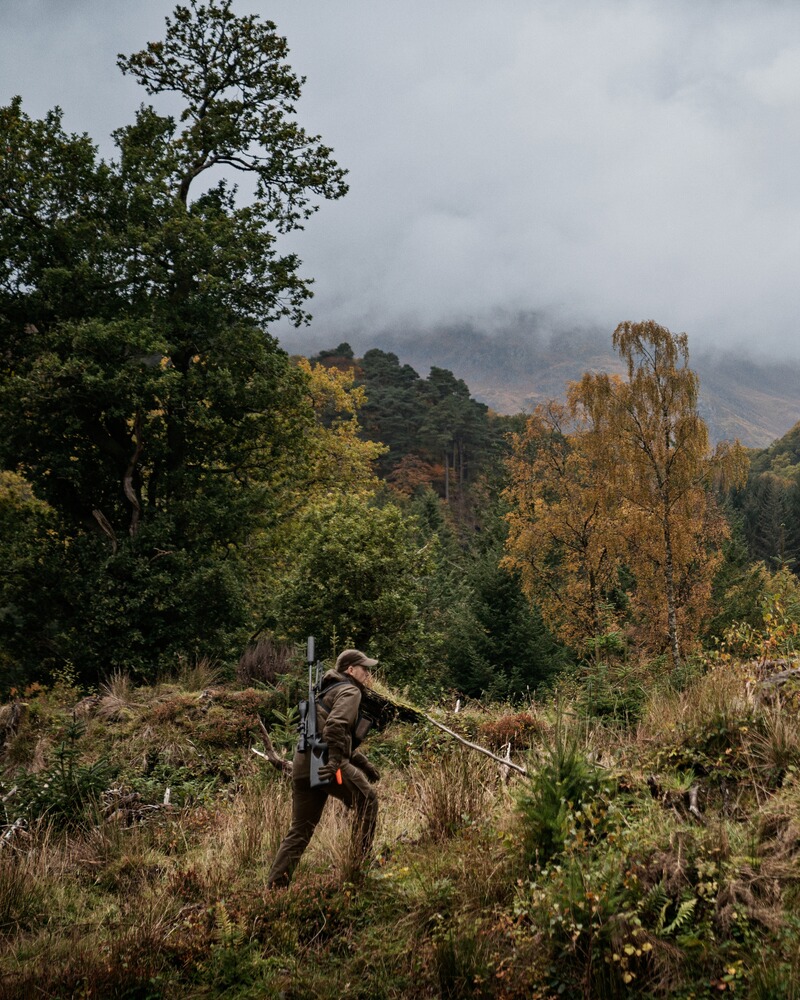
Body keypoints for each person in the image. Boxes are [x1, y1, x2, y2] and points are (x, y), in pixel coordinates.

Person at [267, 648, 381, 888]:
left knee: (300, 830)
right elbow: (336, 727)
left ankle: (275, 887)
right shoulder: (350, 690)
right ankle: (359, 870)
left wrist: (364, 765)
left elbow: (328, 733)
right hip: (325, 764)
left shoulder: (324, 692)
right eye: (364, 669)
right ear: (350, 670)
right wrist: (336, 762)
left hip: (302, 764)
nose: (368, 675)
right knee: (368, 800)